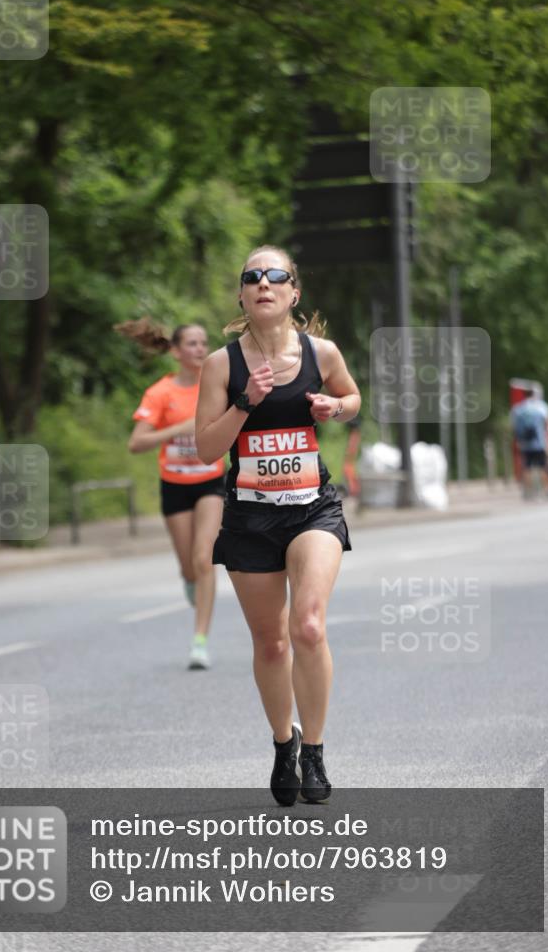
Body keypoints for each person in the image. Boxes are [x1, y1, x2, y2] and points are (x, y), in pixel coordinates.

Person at [195, 245, 361, 805]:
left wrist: (333, 409)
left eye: (276, 276)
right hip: (250, 515)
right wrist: (246, 402)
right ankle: (282, 743)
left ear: (295, 292)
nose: (263, 283)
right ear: (242, 295)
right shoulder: (222, 365)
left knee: (308, 626)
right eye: (252, 277)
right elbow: (204, 450)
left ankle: (313, 752)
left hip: (313, 506)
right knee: (270, 644)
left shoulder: (323, 352)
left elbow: (352, 397)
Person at [118, 320, 226, 670]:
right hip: (175, 484)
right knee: (188, 566)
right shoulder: (161, 393)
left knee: (203, 557)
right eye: (191, 344)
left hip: (211, 481)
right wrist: (178, 430)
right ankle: (191, 582)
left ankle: (199, 642)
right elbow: (136, 443)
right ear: (176, 352)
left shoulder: (217, 385)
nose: (199, 349)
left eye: (203, 342)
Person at [510, 386, 548, 499]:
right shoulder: (541, 407)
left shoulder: (518, 409)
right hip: (540, 442)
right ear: (534, 394)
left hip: (525, 443)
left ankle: (529, 493)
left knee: (527, 467)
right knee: (543, 466)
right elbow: (547, 425)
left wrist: (518, 440)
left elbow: (515, 427)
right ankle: (546, 491)